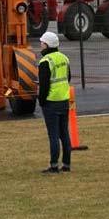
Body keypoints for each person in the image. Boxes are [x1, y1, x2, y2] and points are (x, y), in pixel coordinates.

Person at [38, 31, 72, 174]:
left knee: (53, 135)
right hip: (64, 100)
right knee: (64, 133)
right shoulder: (65, 58)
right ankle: (66, 164)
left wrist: (41, 100)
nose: (40, 45)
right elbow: (68, 77)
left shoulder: (45, 62)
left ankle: (53, 165)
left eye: (42, 43)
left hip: (51, 102)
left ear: (47, 44)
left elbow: (44, 85)